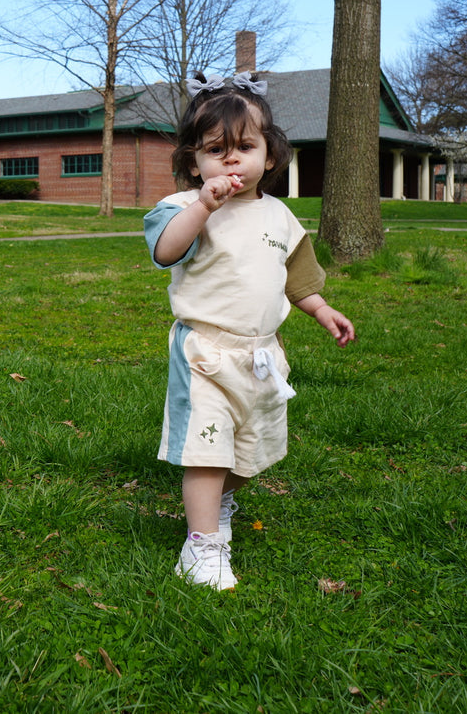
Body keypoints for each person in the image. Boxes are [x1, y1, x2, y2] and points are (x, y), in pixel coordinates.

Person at [143, 72, 355, 591]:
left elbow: (296, 277)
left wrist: (321, 308)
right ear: (194, 163)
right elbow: (165, 250)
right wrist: (202, 206)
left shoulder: (280, 217)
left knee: (252, 450)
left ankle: (221, 502)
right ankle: (202, 547)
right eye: (215, 150)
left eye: (245, 147)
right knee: (207, 450)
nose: (231, 159)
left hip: (262, 356)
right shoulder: (182, 208)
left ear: (271, 157)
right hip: (205, 354)